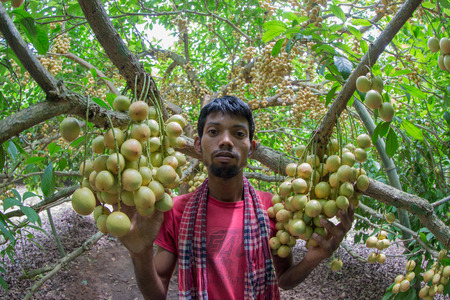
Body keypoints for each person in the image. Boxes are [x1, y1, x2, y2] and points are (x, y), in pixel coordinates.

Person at [119, 96, 354, 299]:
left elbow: (284, 279)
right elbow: (157, 293)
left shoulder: (274, 207)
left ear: (250, 148)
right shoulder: (175, 210)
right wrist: (140, 253)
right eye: (213, 131)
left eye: (238, 133)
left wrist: (313, 259)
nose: (226, 140)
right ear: (198, 145)